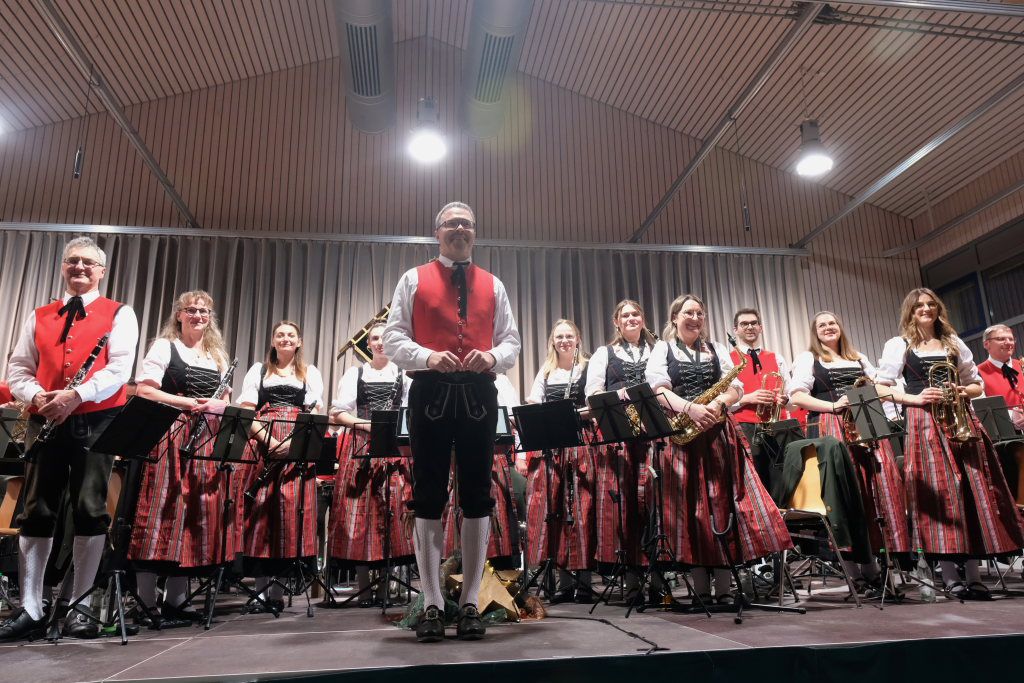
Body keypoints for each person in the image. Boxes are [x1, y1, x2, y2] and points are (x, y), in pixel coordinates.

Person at [383, 201, 521, 642]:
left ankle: (470, 604)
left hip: (479, 393)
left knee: (478, 495)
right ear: (437, 231)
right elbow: (392, 337)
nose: (459, 229)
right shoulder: (412, 278)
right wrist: (426, 356)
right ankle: (432, 604)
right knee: (427, 495)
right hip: (430, 393)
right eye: (451, 224)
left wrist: (492, 357)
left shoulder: (494, 284)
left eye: (466, 224)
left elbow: (511, 341)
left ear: (474, 232)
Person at [1, 237, 139, 641]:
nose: (79, 267)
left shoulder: (120, 313)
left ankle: (79, 606)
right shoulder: (39, 315)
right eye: (72, 261)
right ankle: (31, 607)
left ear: (102, 271)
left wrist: (76, 395)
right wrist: (37, 397)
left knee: (89, 509)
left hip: (95, 420)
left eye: (88, 263)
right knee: (37, 510)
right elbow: (19, 369)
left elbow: (119, 369)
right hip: (43, 417)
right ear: (63, 267)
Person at [876, 288, 1024, 600]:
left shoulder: (953, 342)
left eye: (931, 304)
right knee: (940, 495)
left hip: (960, 418)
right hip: (924, 421)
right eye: (919, 305)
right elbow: (881, 387)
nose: (926, 309)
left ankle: (974, 575)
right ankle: (949, 575)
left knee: (971, 490)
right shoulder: (899, 345)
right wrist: (914, 398)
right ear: (910, 311)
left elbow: (976, 384)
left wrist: (962, 390)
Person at [647, 294, 791, 604]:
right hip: (683, 433)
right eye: (688, 313)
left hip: (718, 432)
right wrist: (691, 408)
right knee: (691, 510)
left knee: (722, 503)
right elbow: (658, 390)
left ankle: (724, 589)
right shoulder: (663, 348)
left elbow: (737, 387)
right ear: (674, 318)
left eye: (700, 313)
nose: (695, 318)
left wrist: (719, 402)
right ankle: (700, 589)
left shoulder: (716, 349)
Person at [127, 290, 234, 625]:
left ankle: (176, 600)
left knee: (192, 517)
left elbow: (226, 401)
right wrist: (188, 403)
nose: (198, 315)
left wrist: (217, 405)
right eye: (191, 310)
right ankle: (146, 601)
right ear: (179, 315)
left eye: (204, 311)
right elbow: (145, 390)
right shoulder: (165, 346)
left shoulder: (216, 356)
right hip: (169, 436)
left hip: (204, 441)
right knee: (160, 513)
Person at [787, 311, 910, 595]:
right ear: (815, 332)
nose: (828, 328)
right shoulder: (808, 358)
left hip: (867, 423)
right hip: (834, 426)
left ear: (840, 327)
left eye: (832, 323)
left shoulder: (859, 358)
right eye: (822, 325)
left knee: (877, 491)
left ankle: (877, 568)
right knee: (844, 496)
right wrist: (833, 406)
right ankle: (856, 573)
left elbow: (879, 387)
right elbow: (797, 396)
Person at [237, 320, 324, 612]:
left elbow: (315, 414)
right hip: (263, 445)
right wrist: (271, 441)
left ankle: (277, 592)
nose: (285, 339)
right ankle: (259, 592)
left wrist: (292, 444)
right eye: (280, 335)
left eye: (291, 335)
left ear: (299, 342)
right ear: (273, 341)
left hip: (296, 450)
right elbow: (247, 412)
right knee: (260, 516)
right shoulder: (258, 371)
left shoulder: (310, 373)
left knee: (288, 517)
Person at [328, 322, 413, 606]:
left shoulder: (404, 375)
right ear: (369, 344)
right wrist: (366, 425)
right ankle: (364, 587)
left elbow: (410, 413)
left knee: (392, 512)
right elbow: (338, 413)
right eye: (375, 338)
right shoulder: (355, 374)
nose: (380, 343)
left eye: (385, 338)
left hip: (393, 447)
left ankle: (386, 586)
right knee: (359, 514)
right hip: (361, 446)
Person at [584, 299, 656, 603]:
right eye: (625, 315)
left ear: (643, 318)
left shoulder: (658, 349)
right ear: (616, 321)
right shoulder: (604, 353)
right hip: (621, 435)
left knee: (655, 504)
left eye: (635, 314)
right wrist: (622, 397)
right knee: (625, 506)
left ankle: (659, 580)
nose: (631, 318)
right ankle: (632, 582)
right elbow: (593, 393)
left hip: (655, 431)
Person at [524, 319, 595, 603]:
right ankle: (564, 583)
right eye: (559, 337)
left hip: (580, 442)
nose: (564, 341)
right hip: (553, 445)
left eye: (569, 336)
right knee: (555, 511)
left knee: (581, 509)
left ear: (578, 339)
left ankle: (584, 582)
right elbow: (533, 403)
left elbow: (595, 404)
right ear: (553, 341)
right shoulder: (546, 370)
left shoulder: (588, 367)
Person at [728, 308, 791, 488]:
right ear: (736, 330)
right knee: (753, 480)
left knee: (781, 479)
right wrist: (748, 398)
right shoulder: (728, 359)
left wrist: (785, 399)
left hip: (776, 426)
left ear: (760, 327)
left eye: (754, 323)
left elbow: (791, 393)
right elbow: (722, 400)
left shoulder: (776, 357)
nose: (750, 327)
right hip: (744, 426)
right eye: (744, 324)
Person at [976, 324, 1024, 499]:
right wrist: (1012, 416)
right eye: (1001, 339)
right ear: (986, 344)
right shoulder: (977, 372)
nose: (1008, 342)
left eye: (1011, 338)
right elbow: (980, 407)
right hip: (1003, 437)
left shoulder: (1022, 364)